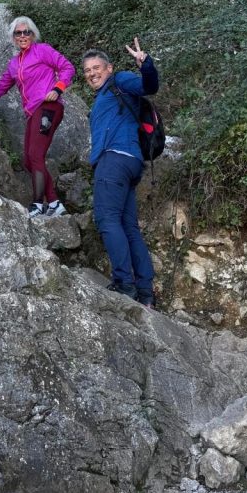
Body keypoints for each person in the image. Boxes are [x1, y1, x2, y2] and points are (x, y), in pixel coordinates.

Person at [0, 16, 75, 217]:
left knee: (36, 156)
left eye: (26, 32)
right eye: (18, 33)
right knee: (30, 161)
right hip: (33, 113)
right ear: (13, 37)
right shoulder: (14, 64)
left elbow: (67, 68)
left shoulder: (43, 50)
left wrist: (58, 89)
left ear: (33, 34)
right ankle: (55, 203)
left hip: (48, 107)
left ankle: (39, 205)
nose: (22, 36)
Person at [83, 37, 158, 307]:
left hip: (114, 159)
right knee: (128, 226)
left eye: (96, 68)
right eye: (88, 71)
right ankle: (145, 293)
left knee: (106, 220)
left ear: (109, 68)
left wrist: (145, 64)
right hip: (130, 161)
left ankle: (125, 285)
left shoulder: (120, 82)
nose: (92, 73)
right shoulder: (105, 96)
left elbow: (149, 86)